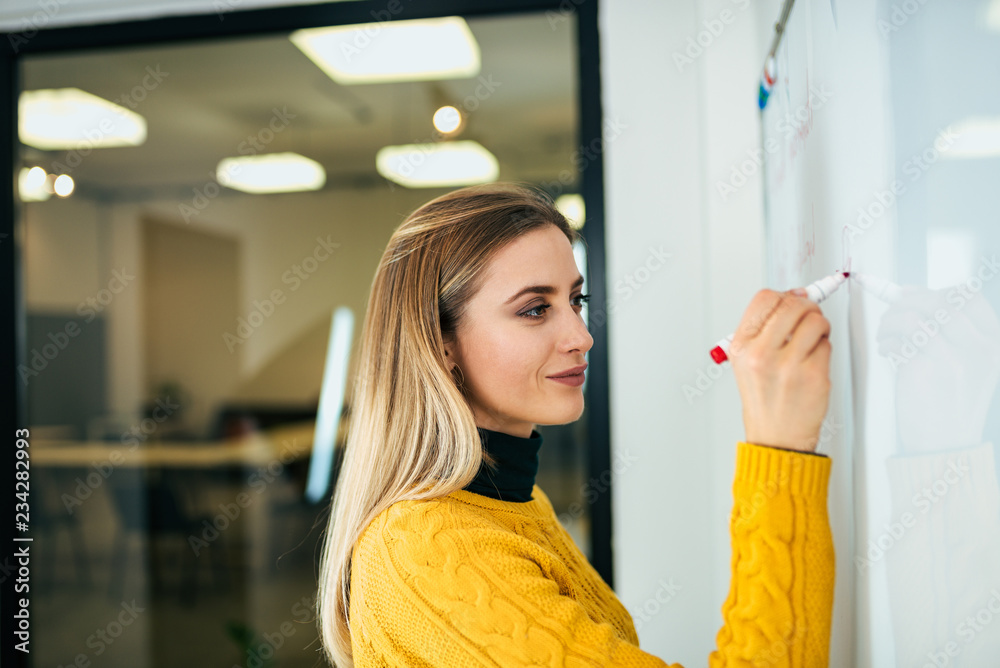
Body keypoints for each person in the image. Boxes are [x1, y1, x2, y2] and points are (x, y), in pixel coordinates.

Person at [316, 182, 835, 667]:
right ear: (441, 343)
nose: (581, 336)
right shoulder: (427, 548)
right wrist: (779, 452)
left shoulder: (514, 503)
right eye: (535, 309)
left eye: (576, 300)